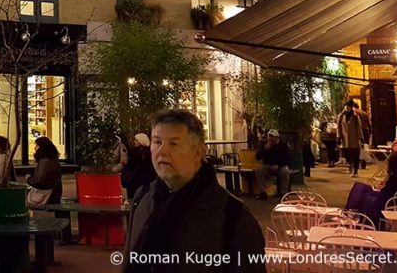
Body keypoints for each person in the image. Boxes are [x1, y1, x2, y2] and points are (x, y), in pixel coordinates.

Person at [124, 109, 266, 273]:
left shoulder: (231, 216)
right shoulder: (143, 199)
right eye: (157, 142)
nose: (162, 151)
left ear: (198, 151)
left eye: (174, 144)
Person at [254, 129, 291, 200]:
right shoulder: (265, 144)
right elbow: (257, 157)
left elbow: (287, 159)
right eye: (269, 137)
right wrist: (264, 150)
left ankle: (283, 193)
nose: (271, 139)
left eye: (272, 137)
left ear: (277, 137)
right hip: (268, 165)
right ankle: (262, 192)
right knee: (259, 170)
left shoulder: (283, 145)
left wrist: (279, 165)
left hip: (280, 166)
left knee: (285, 171)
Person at [26, 137, 63, 207]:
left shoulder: (44, 161)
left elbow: (40, 179)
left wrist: (29, 179)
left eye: (37, 146)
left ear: (42, 148)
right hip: (55, 192)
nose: (35, 148)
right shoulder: (54, 160)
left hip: (47, 194)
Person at [122, 133, 156, 200]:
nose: (135, 142)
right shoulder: (151, 153)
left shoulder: (135, 152)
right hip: (147, 182)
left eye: (136, 140)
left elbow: (130, 167)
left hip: (135, 181)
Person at [338, 100, 363, 177]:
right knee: (347, 154)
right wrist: (338, 137)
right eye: (345, 107)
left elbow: (359, 128)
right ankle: (350, 166)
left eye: (348, 107)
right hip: (345, 139)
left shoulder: (355, 116)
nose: (346, 108)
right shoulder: (341, 116)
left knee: (355, 155)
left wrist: (361, 137)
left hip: (354, 139)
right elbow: (338, 127)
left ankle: (355, 171)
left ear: (351, 107)